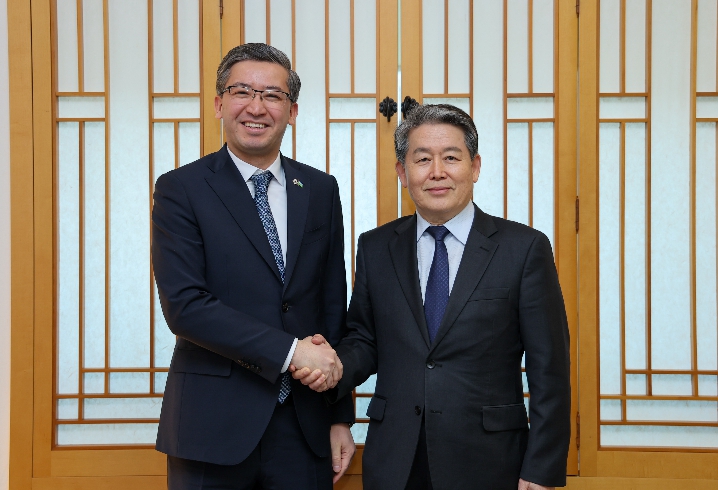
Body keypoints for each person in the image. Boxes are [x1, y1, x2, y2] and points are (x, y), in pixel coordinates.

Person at [295, 104, 571, 489]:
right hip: (396, 458)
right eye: (422, 159)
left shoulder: (523, 249)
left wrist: (541, 469)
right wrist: (330, 366)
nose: (437, 171)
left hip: (490, 460)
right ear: (402, 172)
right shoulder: (376, 247)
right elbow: (366, 340)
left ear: (475, 167)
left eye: (451, 158)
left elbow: (550, 369)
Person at [152, 43, 355, 490]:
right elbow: (185, 306)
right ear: (219, 104)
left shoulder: (320, 189)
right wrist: (291, 352)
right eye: (242, 91)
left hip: (304, 424)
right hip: (211, 425)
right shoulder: (181, 189)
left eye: (273, 95)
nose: (256, 107)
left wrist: (340, 415)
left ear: (292, 111)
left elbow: (330, 303)